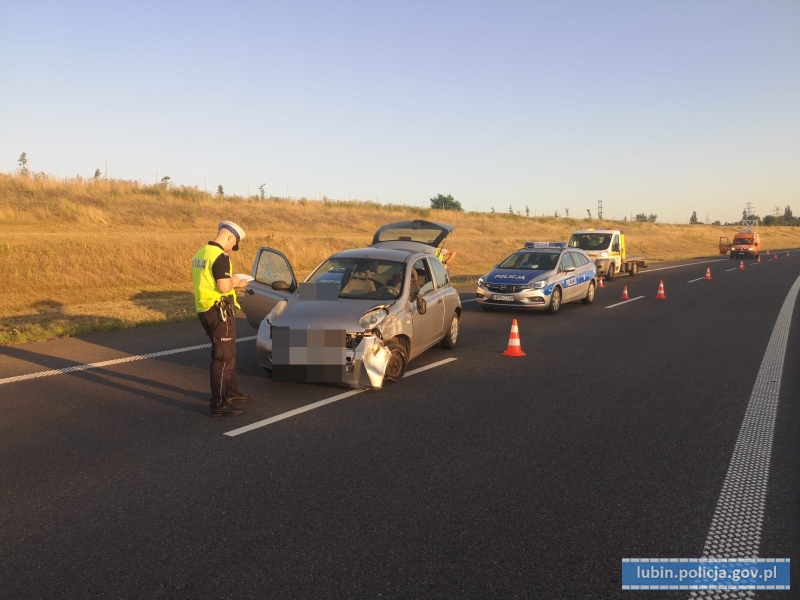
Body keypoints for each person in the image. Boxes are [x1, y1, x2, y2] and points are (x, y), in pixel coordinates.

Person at [191, 221, 251, 417]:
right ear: (230, 237)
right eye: (234, 244)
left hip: (205, 309)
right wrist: (236, 281)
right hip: (219, 312)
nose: (232, 248)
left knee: (229, 352)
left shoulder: (201, 253)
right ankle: (218, 403)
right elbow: (224, 287)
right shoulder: (220, 256)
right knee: (223, 357)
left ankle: (231, 392)